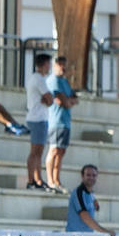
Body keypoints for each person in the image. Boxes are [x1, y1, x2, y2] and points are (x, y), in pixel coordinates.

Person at [45, 55, 78, 192]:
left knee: (61, 151)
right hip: (55, 121)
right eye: (60, 64)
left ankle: (57, 179)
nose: (62, 67)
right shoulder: (53, 81)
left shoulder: (65, 82)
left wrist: (68, 101)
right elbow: (61, 101)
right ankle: (50, 180)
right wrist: (68, 101)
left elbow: (74, 99)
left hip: (65, 122)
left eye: (64, 64)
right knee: (54, 150)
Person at [24, 52, 54, 190]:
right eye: (48, 64)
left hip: (38, 118)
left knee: (38, 152)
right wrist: (48, 100)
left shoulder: (35, 78)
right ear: (44, 64)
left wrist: (48, 100)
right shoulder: (39, 80)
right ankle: (33, 180)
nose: (50, 67)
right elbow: (50, 99)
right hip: (38, 119)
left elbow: (48, 100)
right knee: (36, 151)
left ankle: (37, 179)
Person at [66, 164, 113, 235]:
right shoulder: (78, 192)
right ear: (82, 176)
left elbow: (96, 208)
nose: (91, 178)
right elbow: (84, 215)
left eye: (94, 175)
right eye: (88, 175)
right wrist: (104, 231)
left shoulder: (91, 194)